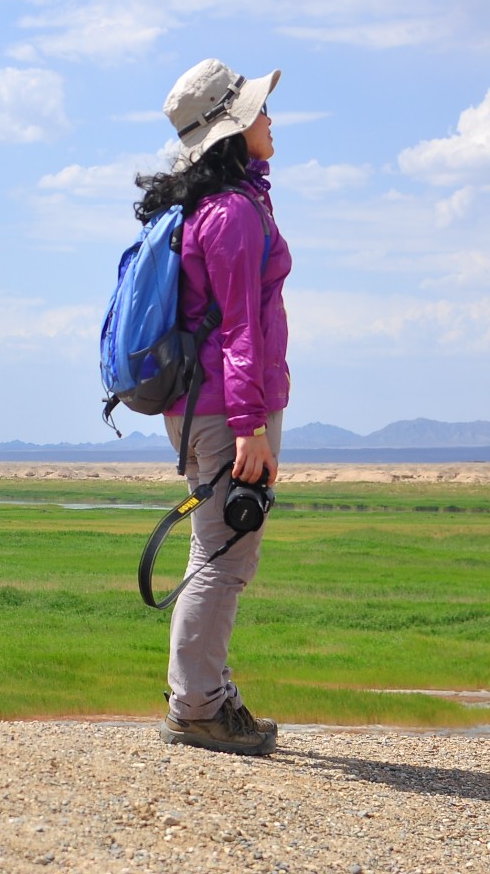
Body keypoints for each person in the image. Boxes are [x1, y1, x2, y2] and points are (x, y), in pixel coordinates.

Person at [134, 58, 290, 755]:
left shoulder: (211, 206)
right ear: (232, 129)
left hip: (206, 406)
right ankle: (198, 706)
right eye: (258, 110)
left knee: (219, 549)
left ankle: (208, 696)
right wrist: (249, 426)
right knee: (224, 556)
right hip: (226, 410)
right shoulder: (229, 215)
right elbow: (238, 330)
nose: (269, 118)